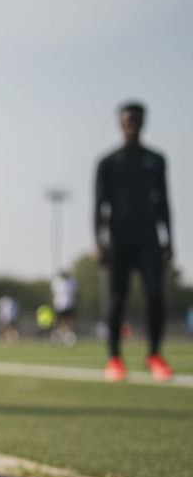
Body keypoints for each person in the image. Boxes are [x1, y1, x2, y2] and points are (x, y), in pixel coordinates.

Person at [95, 101, 174, 382]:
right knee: (116, 301)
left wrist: (169, 239)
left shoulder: (156, 160)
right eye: (127, 120)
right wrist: (99, 241)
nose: (132, 125)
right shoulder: (108, 163)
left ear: (143, 123)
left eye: (136, 120)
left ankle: (154, 354)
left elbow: (163, 201)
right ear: (120, 123)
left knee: (155, 296)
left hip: (148, 238)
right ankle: (114, 358)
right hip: (118, 239)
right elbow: (99, 206)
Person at [51, 270, 79, 345]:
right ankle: (59, 335)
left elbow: (76, 294)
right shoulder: (56, 282)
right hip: (59, 304)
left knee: (69, 320)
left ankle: (68, 336)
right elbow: (53, 294)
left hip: (69, 304)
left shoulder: (73, 282)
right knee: (59, 321)